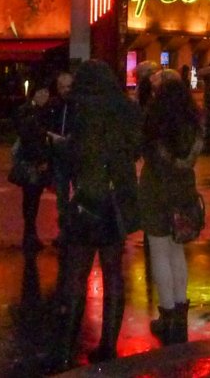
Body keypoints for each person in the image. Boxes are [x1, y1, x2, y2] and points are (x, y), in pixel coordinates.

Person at [49, 60, 141, 371]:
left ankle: (65, 346)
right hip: (115, 202)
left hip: (87, 200)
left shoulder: (79, 110)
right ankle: (108, 345)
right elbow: (135, 149)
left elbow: (74, 156)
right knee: (114, 272)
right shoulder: (125, 110)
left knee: (77, 273)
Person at [138, 69, 203, 344]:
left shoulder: (154, 120)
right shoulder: (193, 121)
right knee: (177, 251)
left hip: (156, 189)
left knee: (160, 252)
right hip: (183, 189)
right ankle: (180, 313)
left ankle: (166, 316)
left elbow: (144, 150)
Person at [14, 85, 54, 251]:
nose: (44, 95)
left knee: (33, 197)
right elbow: (28, 136)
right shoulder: (28, 112)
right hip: (31, 161)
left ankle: (30, 233)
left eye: (46, 91)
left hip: (37, 159)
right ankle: (29, 234)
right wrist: (40, 159)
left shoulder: (45, 111)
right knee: (30, 197)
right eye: (41, 91)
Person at [43, 69, 74, 245]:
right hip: (59, 154)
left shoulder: (77, 105)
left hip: (74, 154)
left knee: (77, 193)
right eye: (61, 87)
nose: (65, 90)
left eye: (68, 86)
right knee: (62, 194)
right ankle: (64, 230)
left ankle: (75, 229)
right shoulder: (54, 105)